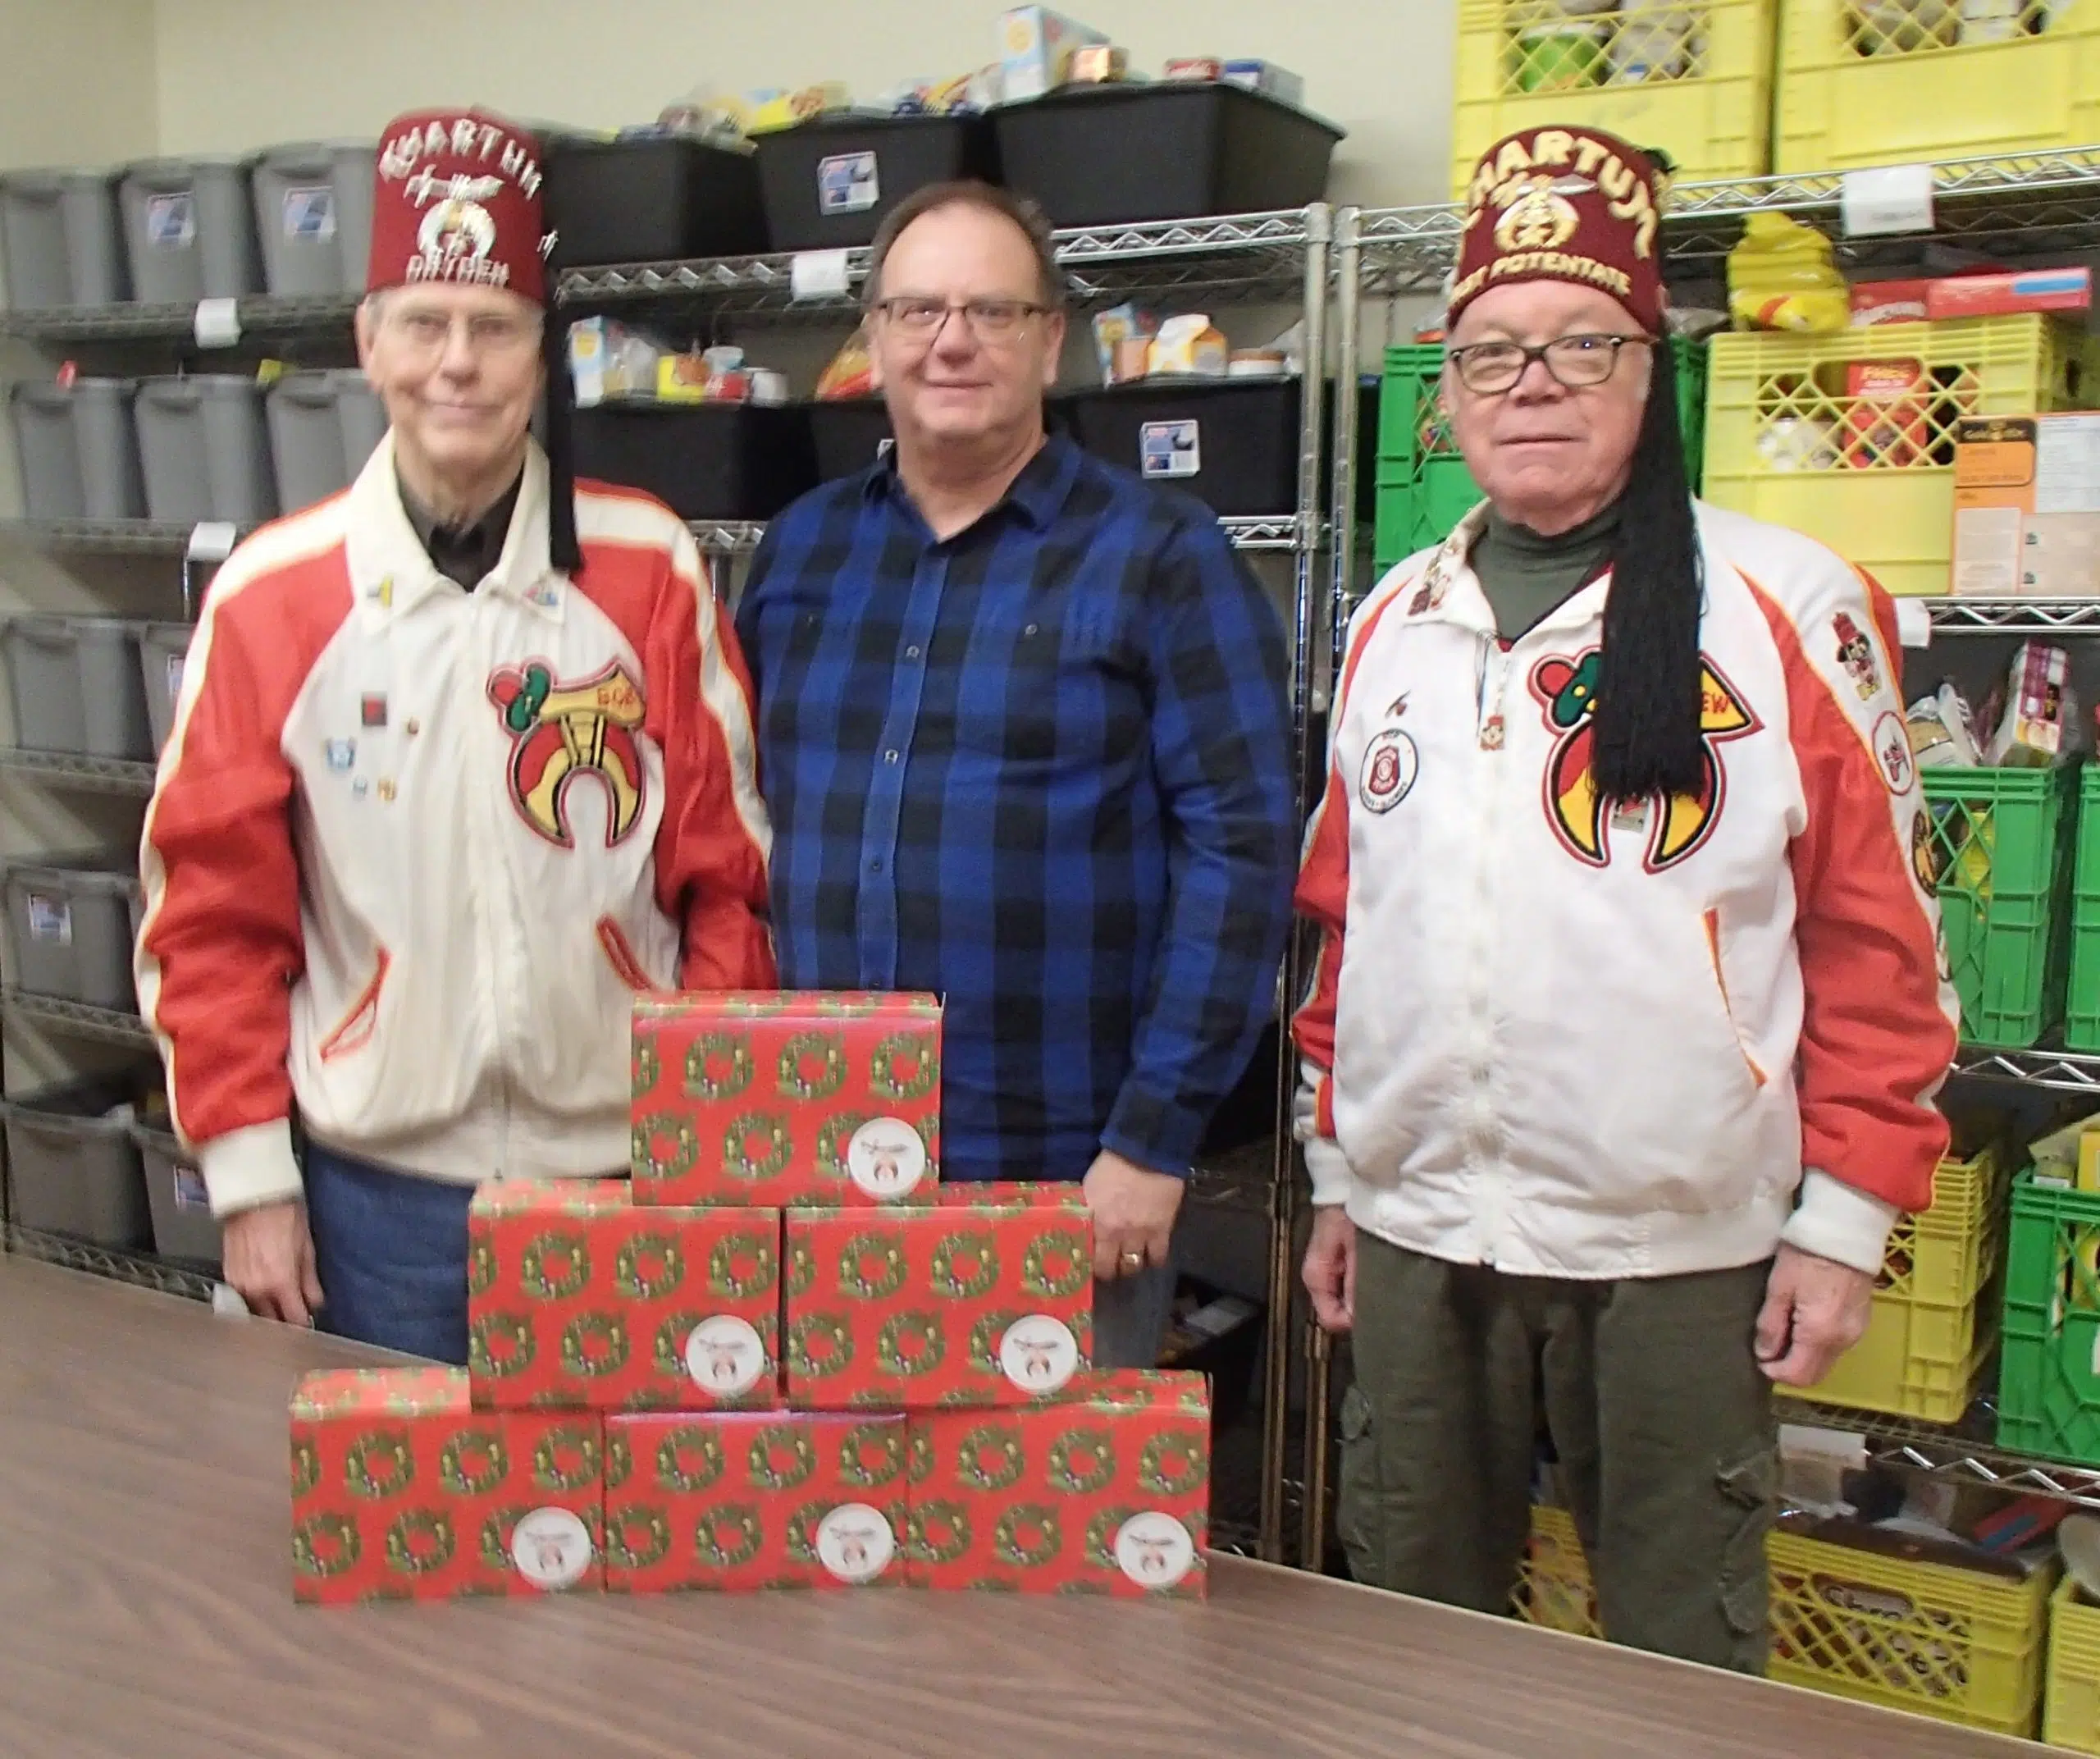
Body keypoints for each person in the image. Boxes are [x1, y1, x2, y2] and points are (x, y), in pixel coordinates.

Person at [1293, 126, 1959, 1670]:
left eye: (1583, 344)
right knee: (1407, 1638)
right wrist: (1340, 1171)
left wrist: (1847, 1218)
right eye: (1493, 351)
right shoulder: (1397, 616)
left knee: (1674, 1664)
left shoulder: (1789, 608)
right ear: (1447, 395)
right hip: (1417, 1233)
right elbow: (1349, 922)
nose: (1534, 381)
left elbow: (1886, 950)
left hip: (1676, 1251)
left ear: (1652, 373)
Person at [135, 109, 774, 1362]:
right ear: (368, 344)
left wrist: (706, 1141)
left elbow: (727, 883)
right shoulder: (273, 594)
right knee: (407, 1552)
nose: (457, 364)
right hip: (376, 1204)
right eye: (424, 323)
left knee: (625, 1538)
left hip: (620, 1181)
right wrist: (252, 1178)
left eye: (493, 329)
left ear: (543, 357)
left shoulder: (648, 568)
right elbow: (210, 912)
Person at [735, 181, 1298, 1369]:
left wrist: (1152, 1142)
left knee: (1040, 1537)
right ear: (874, 338)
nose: (951, 339)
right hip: (827, 1151)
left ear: (1051, 339)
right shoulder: (801, 552)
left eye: (992, 309)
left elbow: (1242, 857)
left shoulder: (1161, 557)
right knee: (842, 1517)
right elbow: (746, 831)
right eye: (918, 309)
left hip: (1066, 1175)